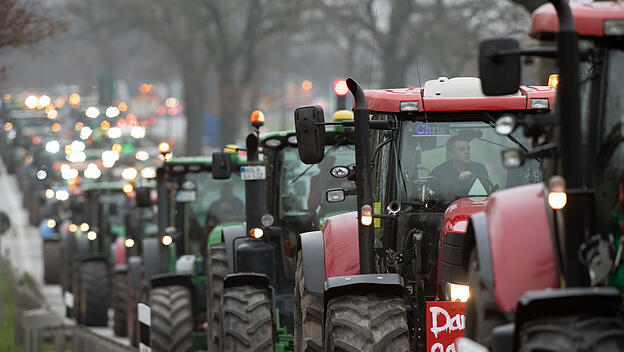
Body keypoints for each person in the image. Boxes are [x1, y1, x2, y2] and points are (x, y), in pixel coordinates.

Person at [430, 134, 489, 202]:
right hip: (447, 210)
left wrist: (474, 181)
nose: (467, 152)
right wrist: (459, 181)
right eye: (461, 149)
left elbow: (485, 195)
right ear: (451, 153)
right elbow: (439, 198)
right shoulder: (438, 172)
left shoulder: (479, 168)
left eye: (468, 148)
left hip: (474, 209)